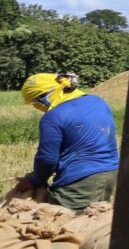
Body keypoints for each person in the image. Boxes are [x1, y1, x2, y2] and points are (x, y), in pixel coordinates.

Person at [13, 73, 118, 211]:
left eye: (35, 103)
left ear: (44, 96)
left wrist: (33, 180)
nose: (37, 107)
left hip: (80, 180)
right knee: (93, 218)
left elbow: (47, 159)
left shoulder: (53, 117)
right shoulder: (98, 101)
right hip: (110, 172)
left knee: (62, 225)